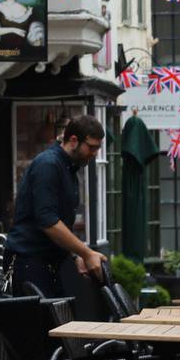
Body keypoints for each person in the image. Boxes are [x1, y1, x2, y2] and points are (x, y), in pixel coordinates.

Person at [7, 116, 108, 305]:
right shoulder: (49, 165)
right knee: (41, 329)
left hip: (47, 261)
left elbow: (60, 221)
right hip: (29, 260)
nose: (94, 153)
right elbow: (48, 222)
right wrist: (86, 253)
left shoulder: (67, 167)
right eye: (92, 147)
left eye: (97, 148)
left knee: (56, 326)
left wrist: (75, 254)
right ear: (73, 140)